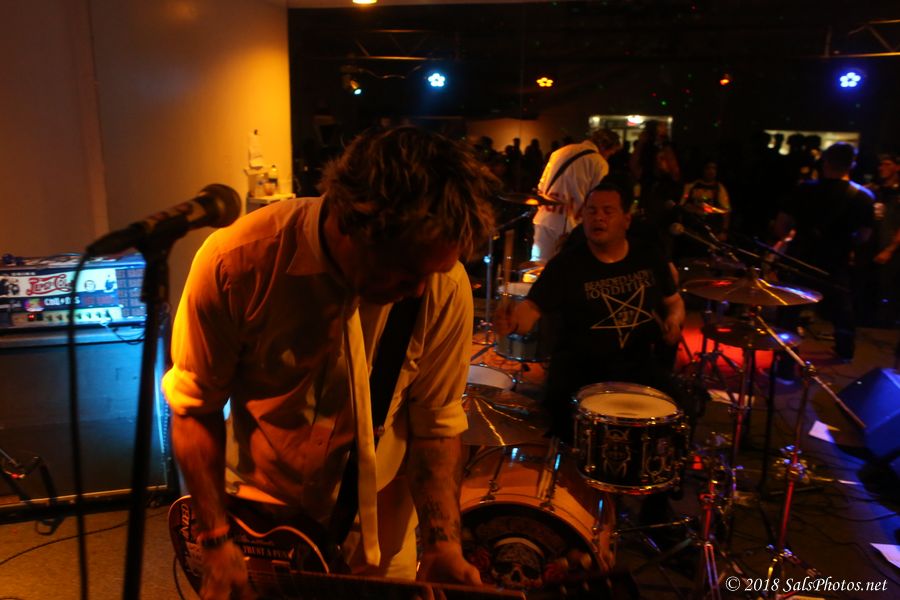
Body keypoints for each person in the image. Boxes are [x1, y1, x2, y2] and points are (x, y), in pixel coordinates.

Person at [162, 126, 497, 598]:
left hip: (379, 537)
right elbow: (195, 409)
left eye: (432, 273)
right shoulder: (235, 263)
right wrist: (215, 537)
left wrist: (442, 543)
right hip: (256, 525)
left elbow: (436, 426)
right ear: (350, 224)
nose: (420, 289)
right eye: (407, 271)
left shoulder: (444, 286)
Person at [497, 182, 685, 444]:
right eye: (592, 211)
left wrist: (673, 320)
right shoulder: (566, 265)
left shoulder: (648, 256)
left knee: (680, 411)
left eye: (608, 211)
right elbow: (531, 308)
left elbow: (674, 302)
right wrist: (513, 322)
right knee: (563, 424)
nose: (598, 217)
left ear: (626, 219)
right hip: (581, 371)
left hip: (637, 366)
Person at [774, 142, 875, 365]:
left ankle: (786, 364)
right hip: (836, 260)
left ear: (825, 161)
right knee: (842, 309)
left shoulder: (804, 189)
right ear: (852, 164)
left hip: (801, 259)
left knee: (790, 311)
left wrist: (793, 236)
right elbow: (864, 236)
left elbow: (781, 226)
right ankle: (845, 352)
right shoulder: (864, 197)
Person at [530, 129, 622, 263]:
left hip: (545, 218)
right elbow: (597, 197)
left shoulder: (559, 152)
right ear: (605, 146)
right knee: (568, 268)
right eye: (610, 153)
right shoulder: (599, 163)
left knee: (537, 265)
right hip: (571, 224)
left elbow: (541, 186)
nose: (609, 156)